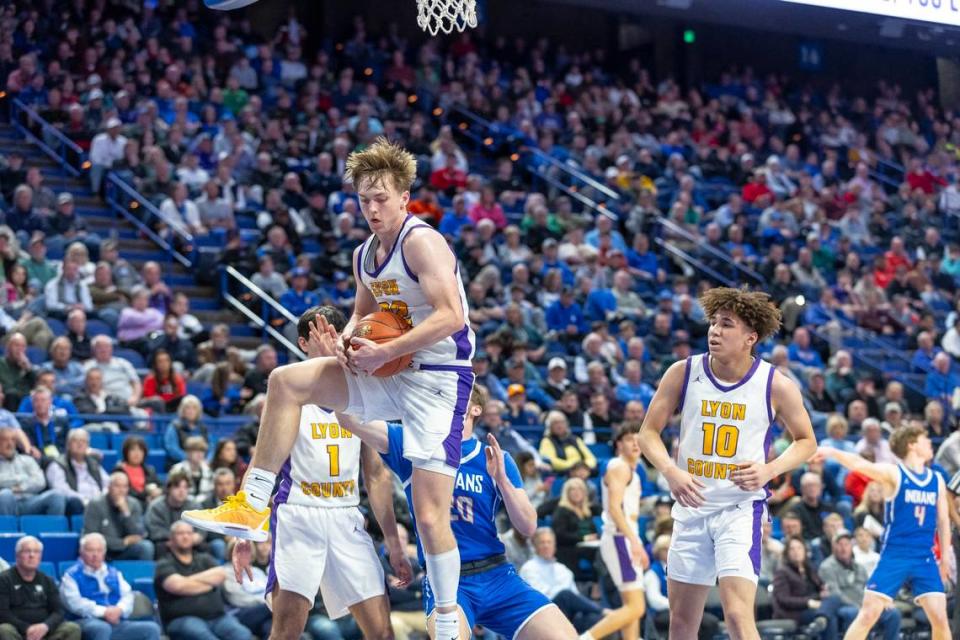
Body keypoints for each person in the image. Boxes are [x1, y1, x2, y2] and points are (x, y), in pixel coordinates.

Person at [184, 139, 475, 640]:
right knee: (285, 381)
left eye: (382, 197)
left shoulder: (422, 242)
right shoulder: (366, 254)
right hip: (388, 370)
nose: (373, 208)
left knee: (429, 517)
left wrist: (384, 351)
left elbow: (452, 317)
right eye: (364, 199)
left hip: (438, 380)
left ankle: (446, 617)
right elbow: (362, 312)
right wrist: (346, 340)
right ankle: (252, 503)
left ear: (405, 197)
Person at [637, 287, 817, 640]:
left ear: (750, 338)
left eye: (726, 324)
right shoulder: (683, 372)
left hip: (738, 509)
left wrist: (769, 470)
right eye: (714, 323)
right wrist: (671, 472)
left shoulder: (774, 385)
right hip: (691, 508)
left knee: (737, 615)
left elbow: (807, 441)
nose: (714, 331)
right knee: (682, 623)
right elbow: (647, 434)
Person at [336, 385, 579, 640]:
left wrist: (503, 481)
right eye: (443, 390)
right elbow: (348, 418)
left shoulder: (496, 458)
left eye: (455, 391)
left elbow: (528, 526)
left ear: (475, 409)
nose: (447, 393)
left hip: (496, 574)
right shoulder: (413, 445)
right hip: (448, 582)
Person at [225, 307, 411, 640]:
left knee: (383, 632)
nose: (331, 342)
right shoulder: (288, 392)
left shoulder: (361, 392)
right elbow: (260, 463)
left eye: (336, 336)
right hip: (299, 515)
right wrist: (243, 533)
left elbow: (378, 476)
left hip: (346, 515)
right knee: (287, 632)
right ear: (302, 342)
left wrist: (394, 543)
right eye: (321, 336)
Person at [818, 426, 952, 640]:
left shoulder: (936, 479)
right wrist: (832, 452)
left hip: (924, 557)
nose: (930, 444)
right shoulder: (894, 474)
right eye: (925, 439)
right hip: (894, 555)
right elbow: (860, 464)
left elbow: (944, 521)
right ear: (912, 444)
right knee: (868, 614)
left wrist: (945, 557)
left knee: (940, 619)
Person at [581, 424, 647, 640]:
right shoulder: (620, 467)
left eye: (638, 438)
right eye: (630, 439)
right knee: (636, 608)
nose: (636, 443)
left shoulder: (632, 471)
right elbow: (614, 508)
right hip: (620, 539)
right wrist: (634, 541)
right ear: (619, 444)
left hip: (623, 538)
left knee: (631, 609)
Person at [154, 521, 251, 640]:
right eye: (180, 533)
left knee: (243, 634)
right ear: (171, 539)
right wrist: (209, 584)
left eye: (189, 533)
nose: (185, 536)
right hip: (182, 620)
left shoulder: (205, 559)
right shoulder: (164, 563)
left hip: (218, 618)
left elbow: (220, 575)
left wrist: (185, 582)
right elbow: (176, 586)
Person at [59, 533, 162, 640]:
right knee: (102, 628)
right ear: (81, 552)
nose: (95, 554)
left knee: (151, 628)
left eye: (99, 550)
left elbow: (128, 595)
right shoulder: (71, 576)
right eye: (90, 550)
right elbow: (75, 603)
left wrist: (119, 610)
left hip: (115, 620)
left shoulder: (114, 573)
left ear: (104, 552)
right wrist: (104, 612)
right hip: (86, 621)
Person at [817, 530, 900, 640]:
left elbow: (870, 589)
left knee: (892, 613)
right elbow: (835, 594)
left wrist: (881, 601)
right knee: (854, 613)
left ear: (851, 546)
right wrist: (860, 606)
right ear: (833, 547)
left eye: (846, 544)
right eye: (840, 544)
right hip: (844, 606)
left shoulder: (859, 567)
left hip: (863, 605)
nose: (843, 548)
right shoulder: (827, 567)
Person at [519, 528, 605, 633]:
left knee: (597, 619)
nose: (546, 546)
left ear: (554, 546)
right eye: (542, 542)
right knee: (565, 595)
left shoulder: (563, 569)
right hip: (543, 616)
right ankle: (603, 610)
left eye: (549, 542)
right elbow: (540, 598)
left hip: (568, 616)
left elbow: (576, 597)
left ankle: (604, 615)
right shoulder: (529, 568)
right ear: (535, 546)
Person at [0, 536, 81, 640]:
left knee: (72, 628)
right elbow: (3, 613)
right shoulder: (4, 580)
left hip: (44, 631)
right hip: (18, 632)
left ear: (40, 556)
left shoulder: (47, 580)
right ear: (17, 555)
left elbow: (58, 611)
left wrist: (45, 626)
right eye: (27, 551)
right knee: (4, 630)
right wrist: (26, 628)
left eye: (36, 551)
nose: (32, 555)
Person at [771, 536, 843, 639]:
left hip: (814, 608)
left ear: (805, 551)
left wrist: (822, 592)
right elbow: (783, 599)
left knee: (835, 598)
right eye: (792, 549)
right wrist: (808, 602)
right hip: (795, 612)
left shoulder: (809, 569)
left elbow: (817, 589)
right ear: (787, 553)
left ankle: (820, 619)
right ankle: (821, 619)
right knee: (831, 618)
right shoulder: (782, 572)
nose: (796, 551)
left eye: (799, 548)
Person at [82, 472, 153, 561]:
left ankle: (143, 574)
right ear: (109, 487)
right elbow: (90, 535)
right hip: (103, 551)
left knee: (146, 546)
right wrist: (123, 542)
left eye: (125, 487)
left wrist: (126, 513)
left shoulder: (134, 504)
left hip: (125, 550)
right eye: (117, 486)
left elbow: (139, 534)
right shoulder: (95, 505)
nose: (121, 490)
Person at [0, 427, 65, 516]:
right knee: (5, 495)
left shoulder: (28, 460)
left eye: (13, 440)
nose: (10, 443)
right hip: (4, 502)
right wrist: (23, 478)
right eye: (5, 440)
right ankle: (7, 529)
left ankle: (51, 529)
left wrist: (21, 487)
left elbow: (40, 481)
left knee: (57, 496)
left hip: (30, 501)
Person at [45, 429, 108, 516]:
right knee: (75, 503)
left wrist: (102, 498)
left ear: (88, 445)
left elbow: (108, 484)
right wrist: (84, 500)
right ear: (68, 445)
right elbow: (61, 489)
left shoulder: (94, 464)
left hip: (99, 503)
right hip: (78, 504)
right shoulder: (58, 464)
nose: (80, 444)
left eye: (83, 441)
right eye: (75, 441)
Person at [112, 437, 160, 507]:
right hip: (128, 505)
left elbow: (161, 485)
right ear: (126, 452)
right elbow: (126, 492)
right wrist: (148, 494)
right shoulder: (119, 470)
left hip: (150, 504)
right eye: (133, 449)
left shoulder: (150, 470)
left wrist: (158, 491)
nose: (137, 453)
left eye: (140, 450)